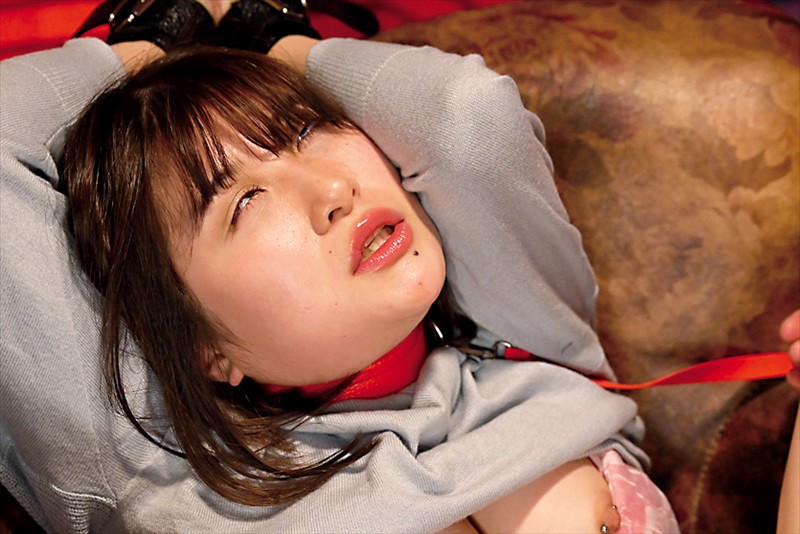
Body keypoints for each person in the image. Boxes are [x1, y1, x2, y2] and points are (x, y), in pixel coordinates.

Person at [0, 1, 795, 532]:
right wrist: (142, 43)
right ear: (203, 347)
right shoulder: (159, 475)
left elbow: (465, 115)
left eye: (304, 131)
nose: (332, 190)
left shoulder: (524, 336)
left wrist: (272, 38)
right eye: (243, 203)